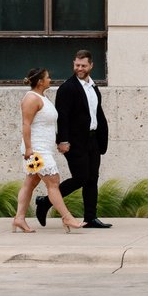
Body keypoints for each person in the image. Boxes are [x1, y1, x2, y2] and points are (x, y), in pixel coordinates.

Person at [42, 47, 112, 229]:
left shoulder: (93, 87)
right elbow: (62, 116)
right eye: (77, 65)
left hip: (93, 139)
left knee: (92, 179)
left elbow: (96, 113)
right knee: (81, 177)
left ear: (91, 66)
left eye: (83, 65)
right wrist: (63, 140)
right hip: (74, 142)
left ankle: (90, 218)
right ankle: (45, 201)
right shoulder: (67, 88)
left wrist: (101, 137)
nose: (79, 68)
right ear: (73, 64)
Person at [16, 65, 79, 234]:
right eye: (47, 77)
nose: (50, 79)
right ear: (40, 81)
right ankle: (67, 217)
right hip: (37, 150)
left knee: (30, 182)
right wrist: (29, 148)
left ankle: (19, 218)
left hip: (44, 148)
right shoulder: (31, 98)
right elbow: (26, 124)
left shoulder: (42, 97)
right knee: (53, 181)